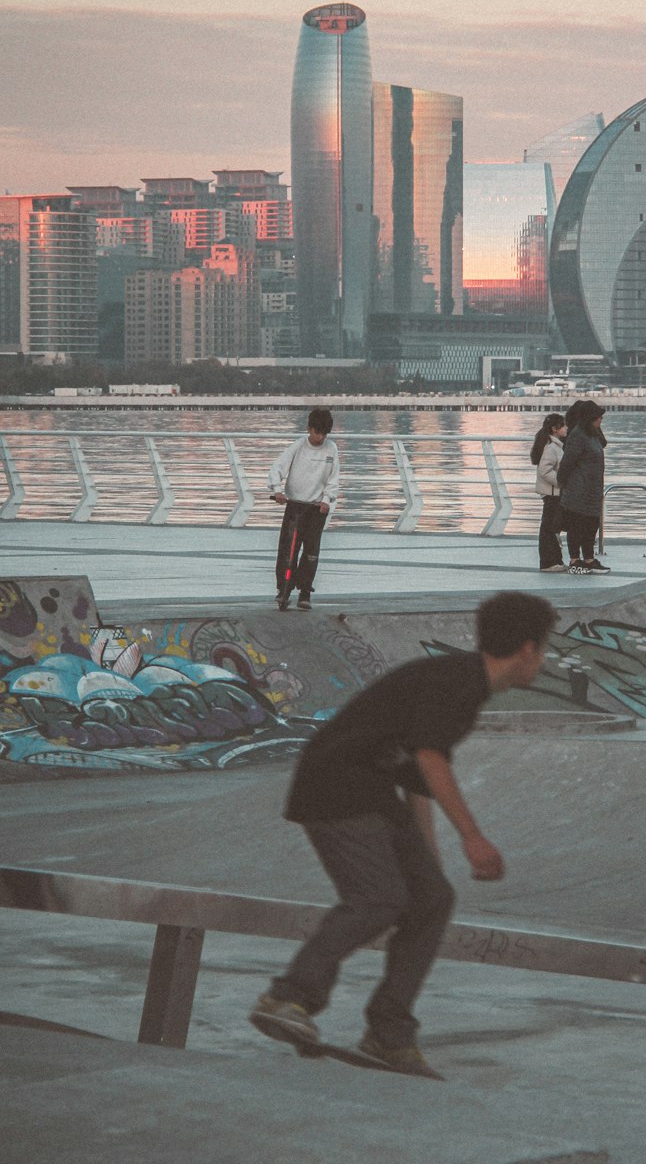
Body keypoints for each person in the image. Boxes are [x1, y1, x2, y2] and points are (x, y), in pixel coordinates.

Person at [250, 591, 557, 1078]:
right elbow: (432, 760)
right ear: (526, 649)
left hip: (371, 789)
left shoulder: (460, 686)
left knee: (431, 898)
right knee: (377, 901)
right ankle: (288, 997)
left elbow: (418, 781)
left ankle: (388, 1034)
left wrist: (428, 865)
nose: (541, 661)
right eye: (543, 650)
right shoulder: (458, 684)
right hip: (335, 784)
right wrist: (472, 837)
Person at [268, 407, 340, 610]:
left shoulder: (331, 449)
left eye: (324, 434)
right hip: (295, 505)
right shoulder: (298, 446)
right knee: (288, 550)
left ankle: (305, 590)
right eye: (317, 432)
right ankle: (283, 588)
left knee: (311, 551)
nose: (320, 437)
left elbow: (333, 478)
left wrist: (327, 500)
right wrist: (276, 490)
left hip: (317, 508)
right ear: (309, 429)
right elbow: (279, 467)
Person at [557, 399, 609, 574]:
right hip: (578, 488)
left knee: (591, 523)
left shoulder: (593, 434)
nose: (601, 420)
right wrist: (563, 482)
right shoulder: (578, 435)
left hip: (593, 489)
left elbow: (604, 442)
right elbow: (568, 461)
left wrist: (597, 428)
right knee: (577, 524)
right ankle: (575, 559)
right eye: (598, 417)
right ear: (590, 417)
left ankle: (589, 558)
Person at [531, 412, 568, 572]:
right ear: (554, 429)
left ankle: (554, 561)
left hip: (553, 492)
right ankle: (548, 562)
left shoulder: (553, 445)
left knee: (550, 527)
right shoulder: (552, 447)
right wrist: (560, 482)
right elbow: (545, 470)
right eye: (563, 426)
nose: (566, 428)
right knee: (549, 528)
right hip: (553, 493)